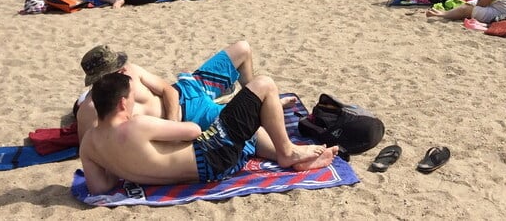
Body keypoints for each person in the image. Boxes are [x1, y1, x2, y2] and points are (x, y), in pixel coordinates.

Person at [80, 71, 337, 194]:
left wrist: (119, 162)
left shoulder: (89, 143)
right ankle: (287, 152)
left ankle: (285, 150)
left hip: (203, 170)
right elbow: (192, 130)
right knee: (264, 84)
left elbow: (100, 187)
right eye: (131, 98)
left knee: (242, 119)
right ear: (122, 103)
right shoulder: (136, 125)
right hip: (216, 157)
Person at [75, 42, 262, 139]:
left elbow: (168, 90)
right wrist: (174, 130)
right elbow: (94, 150)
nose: (124, 68)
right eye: (117, 68)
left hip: (187, 89)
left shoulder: (131, 71)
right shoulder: (91, 110)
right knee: (253, 124)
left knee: (242, 49)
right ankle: (255, 101)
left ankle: (251, 95)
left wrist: (172, 123)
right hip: (192, 113)